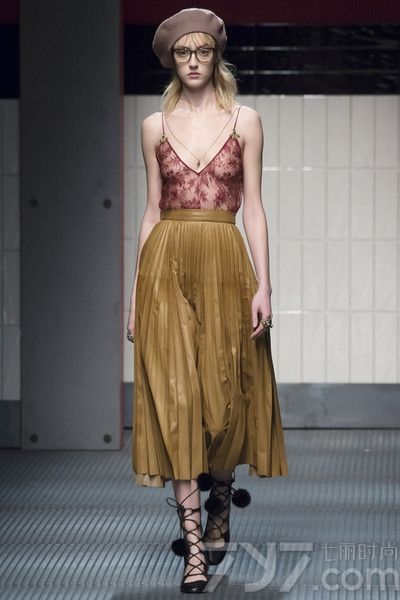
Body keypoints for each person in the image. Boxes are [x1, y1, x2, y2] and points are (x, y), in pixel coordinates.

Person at [126, 7, 289, 594]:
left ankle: (220, 491)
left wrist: (264, 284)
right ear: (171, 60)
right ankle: (194, 550)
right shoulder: (154, 125)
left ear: (216, 56)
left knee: (223, 403)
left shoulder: (246, 121)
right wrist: (135, 294)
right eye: (182, 53)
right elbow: (151, 211)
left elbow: (254, 207)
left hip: (224, 262)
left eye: (202, 51)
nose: (192, 61)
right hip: (166, 264)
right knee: (176, 402)